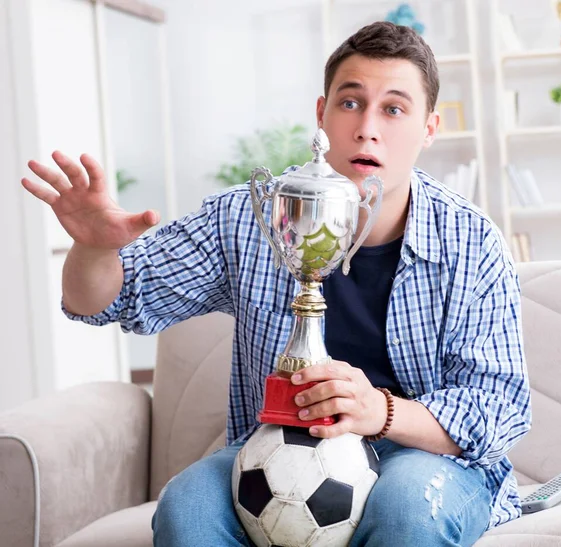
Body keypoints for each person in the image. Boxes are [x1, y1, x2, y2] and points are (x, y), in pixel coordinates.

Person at [21, 21, 531, 547]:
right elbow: (109, 300)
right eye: (350, 103)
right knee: (186, 506)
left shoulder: (471, 241)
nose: (367, 128)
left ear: (429, 128)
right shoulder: (252, 215)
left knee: (407, 505)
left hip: (425, 459)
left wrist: (378, 410)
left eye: (394, 109)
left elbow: (500, 407)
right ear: (321, 114)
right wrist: (94, 248)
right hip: (280, 454)